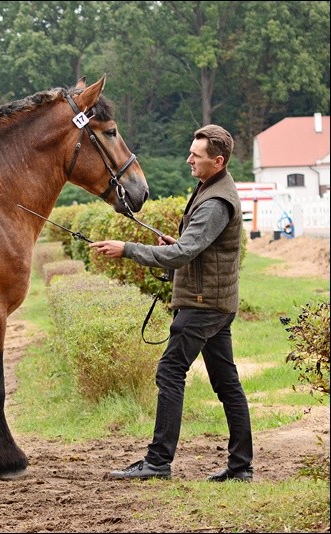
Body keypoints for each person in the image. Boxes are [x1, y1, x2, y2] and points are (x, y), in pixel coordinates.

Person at [90, 124, 253, 482]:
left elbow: (184, 254)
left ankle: (158, 462)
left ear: (218, 160)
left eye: (196, 156)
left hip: (203, 306)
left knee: (170, 373)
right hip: (215, 303)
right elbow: (194, 246)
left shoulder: (215, 201)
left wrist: (127, 249)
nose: (189, 159)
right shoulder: (212, 186)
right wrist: (173, 243)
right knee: (227, 386)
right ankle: (241, 468)